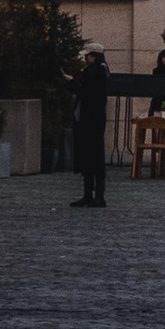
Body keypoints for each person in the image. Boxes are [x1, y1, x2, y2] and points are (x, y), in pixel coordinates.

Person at [71, 44, 111, 208]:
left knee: (94, 155)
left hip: (92, 118)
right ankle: (90, 194)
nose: (85, 58)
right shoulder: (96, 71)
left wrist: (72, 83)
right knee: (88, 155)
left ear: (95, 56)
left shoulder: (98, 71)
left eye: (88, 56)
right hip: (90, 118)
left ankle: (97, 196)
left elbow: (87, 91)